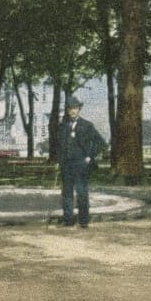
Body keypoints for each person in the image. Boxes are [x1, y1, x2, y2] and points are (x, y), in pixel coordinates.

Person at [55, 95, 105, 228]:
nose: (72, 111)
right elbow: (58, 145)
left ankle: (83, 221)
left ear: (79, 109)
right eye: (70, 108)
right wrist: (59, 160)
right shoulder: (62, 126)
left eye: (75, 108)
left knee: (82, 193)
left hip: (81, 165)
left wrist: (90, 156)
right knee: (67, 193)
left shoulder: (87, 125)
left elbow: (101, 143)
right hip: (66, 165)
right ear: (67, 110)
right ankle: (68, 220)